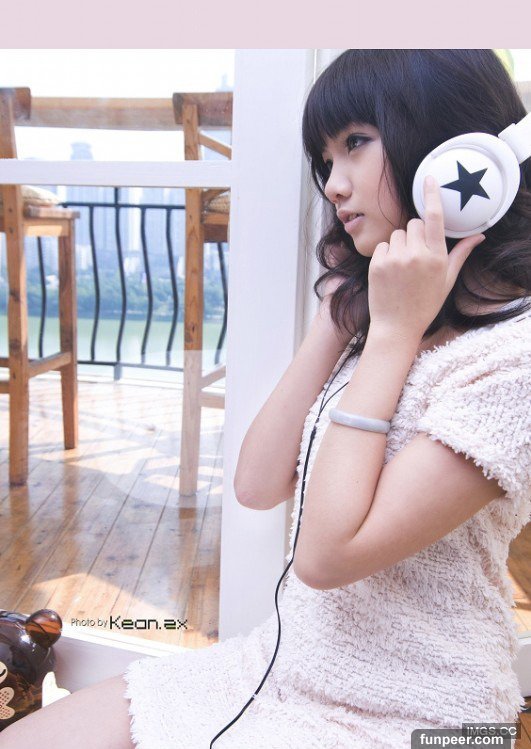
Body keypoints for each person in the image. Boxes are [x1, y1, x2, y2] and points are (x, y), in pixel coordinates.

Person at [2, 49, 530, 749]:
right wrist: (338, 317)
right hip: (280, 671)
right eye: (325, 159)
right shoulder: (388, 317)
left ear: (459, 154)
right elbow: (255, 483)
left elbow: (327, 556)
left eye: (355, 142)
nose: (333, 185)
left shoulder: (511, 361)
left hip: (420, 715)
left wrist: (391, 333)